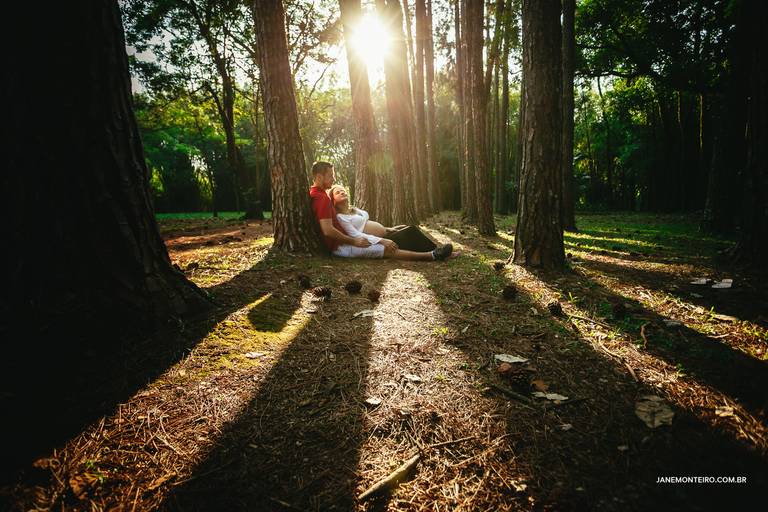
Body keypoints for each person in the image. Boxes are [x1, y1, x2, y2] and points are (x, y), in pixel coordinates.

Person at [308, 161, 452, 260]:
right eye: (330, 176)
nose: (333, 179)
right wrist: (354, 241)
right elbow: (328, 230)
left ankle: (435, 252)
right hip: (343, 246)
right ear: (319, 177)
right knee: (389, 249)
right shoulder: (322, 198)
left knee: (403, 233)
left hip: (348, 242)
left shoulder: (317, 195)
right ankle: (432, 255)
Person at [329, 184, 454, 261]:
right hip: (375, 240)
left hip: (384, 233)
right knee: (410, 231)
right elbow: (355, 235)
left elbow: (367, 221)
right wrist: (382, 240)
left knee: (405, 227)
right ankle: (436, 253)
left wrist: (387, 229)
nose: (342, 192)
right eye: (337, 192)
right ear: (333, 200)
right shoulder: (341, 217)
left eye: (343, 190)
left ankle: (438, 251)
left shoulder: (355, 210)